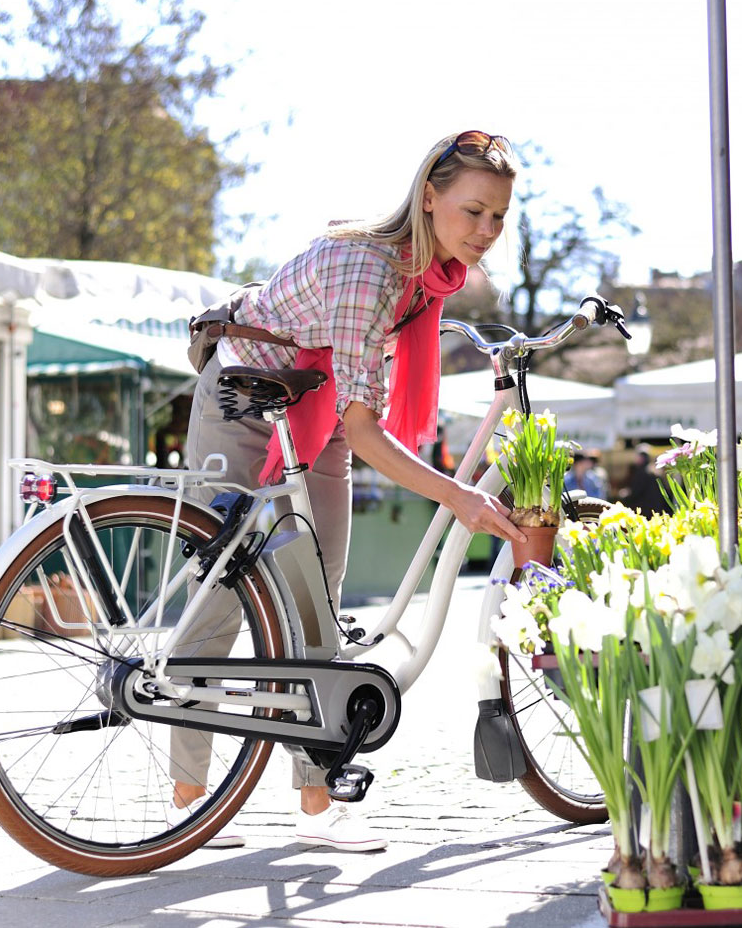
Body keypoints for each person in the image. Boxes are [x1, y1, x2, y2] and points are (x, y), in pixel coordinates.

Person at [174, 130, 526, 852]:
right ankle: (190, 802)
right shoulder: (370, 271)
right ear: (428, 198)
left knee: (316, 603)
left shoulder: (428, 281)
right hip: (243, 399)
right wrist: (458, 499)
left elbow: (354, 412)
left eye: (498, 216)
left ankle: (316, 803)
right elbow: (368, 433)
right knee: (220, 590)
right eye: (473, 212)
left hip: (317, 408)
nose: (486, 231)